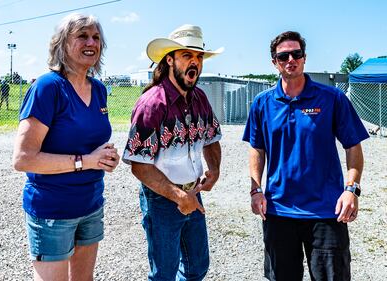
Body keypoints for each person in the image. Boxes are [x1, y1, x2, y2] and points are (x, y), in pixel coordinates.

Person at [243, 31, 369, 281]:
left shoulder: (332, 98)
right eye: (283, 56)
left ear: (304, 58)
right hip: (278, 212)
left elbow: (353, 145)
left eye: (296, 54)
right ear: (274, 62)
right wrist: (255, 190)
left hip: (326, 211)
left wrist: (351, 189)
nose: (291, 59)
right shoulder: (262, 103)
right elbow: (257, 149)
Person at [12, 13, 120, 281]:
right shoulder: (48, 88)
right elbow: (23, 159)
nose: (91, 42)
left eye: (96, 37)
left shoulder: (99, 89)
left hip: (91, 204)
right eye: (82, 36)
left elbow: (91, 144)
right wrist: (86, 160)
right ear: (62, 43)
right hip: (52, 210)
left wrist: (106, 158)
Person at [122, 24, 223, 281]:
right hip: (162, 198)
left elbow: (211, 139)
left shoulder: (200, 98)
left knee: (197, 267)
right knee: (164, 273)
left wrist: (214, 170)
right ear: (170, 60)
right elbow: (139, 164)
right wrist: (179, 196)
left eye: (199, 57)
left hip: (193, 191)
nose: (195, 62)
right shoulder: (152, 104)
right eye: (187, 55)